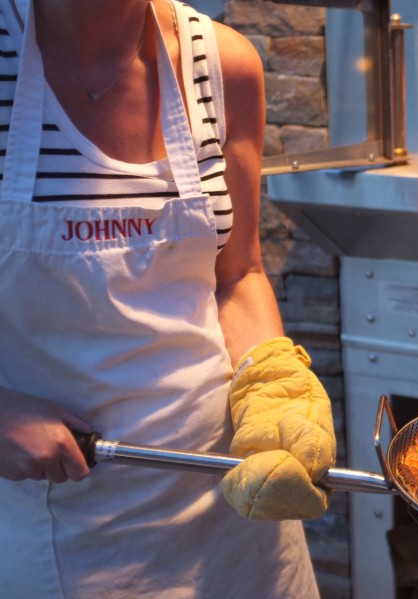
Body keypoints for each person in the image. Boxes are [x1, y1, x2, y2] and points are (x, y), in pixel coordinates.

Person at [0, 0, 336, 596]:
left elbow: (236, 273)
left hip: (231, 500)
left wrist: (274, 382)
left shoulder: (223, 64)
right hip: (67, 519)